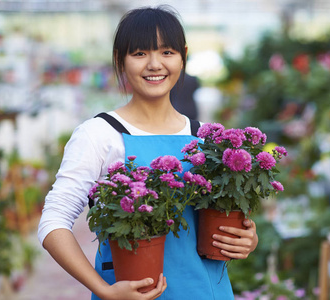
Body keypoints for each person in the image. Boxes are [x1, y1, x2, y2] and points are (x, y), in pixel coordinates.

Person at [38, 6, 258, 300]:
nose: (155, 64)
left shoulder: (207, 137)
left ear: (184, 56)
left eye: (167, 52)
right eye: (140, 53)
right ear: (120, 59)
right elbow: (54, 221)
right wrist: (104, 290)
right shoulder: (100, 134)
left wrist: (247, 238)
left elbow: (224, 220)